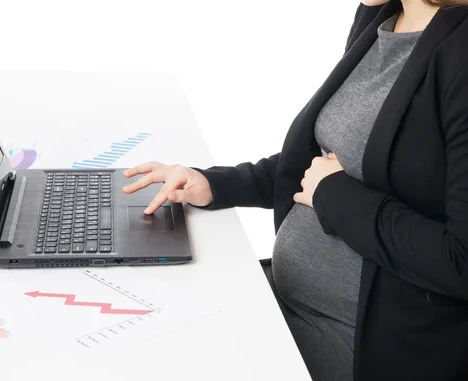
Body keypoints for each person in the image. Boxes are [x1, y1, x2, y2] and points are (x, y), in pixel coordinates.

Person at [121, 1, 468, 380]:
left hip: (360, 344)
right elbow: (329, 160)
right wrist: (216, 184)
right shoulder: (381, 16)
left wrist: (335, 197)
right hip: (284, 302)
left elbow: (461, 262)